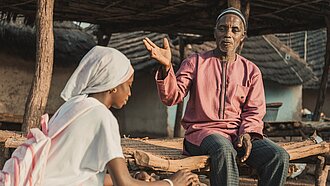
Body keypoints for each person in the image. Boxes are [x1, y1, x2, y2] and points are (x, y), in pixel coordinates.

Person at [143, 7, 290, 186]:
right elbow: (172, 97)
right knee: (223, 148)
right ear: (215, 33)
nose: (228, 34)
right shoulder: (195, 62)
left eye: (234, 30)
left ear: (242, 36)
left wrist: (247, 133)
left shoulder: (251, 71)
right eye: (222, 28)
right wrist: (167, 68)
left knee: (278, 156)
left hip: (238, 135)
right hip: (201, 134)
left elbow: (254, 111)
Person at [43, 46, 199, 186]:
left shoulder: (73, 106)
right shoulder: (102, 116)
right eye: (128, 85)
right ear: (114, 86)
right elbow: (124, 184)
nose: (130, 93)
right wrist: (170, 182)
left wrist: (135, 177)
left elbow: (77, 176)